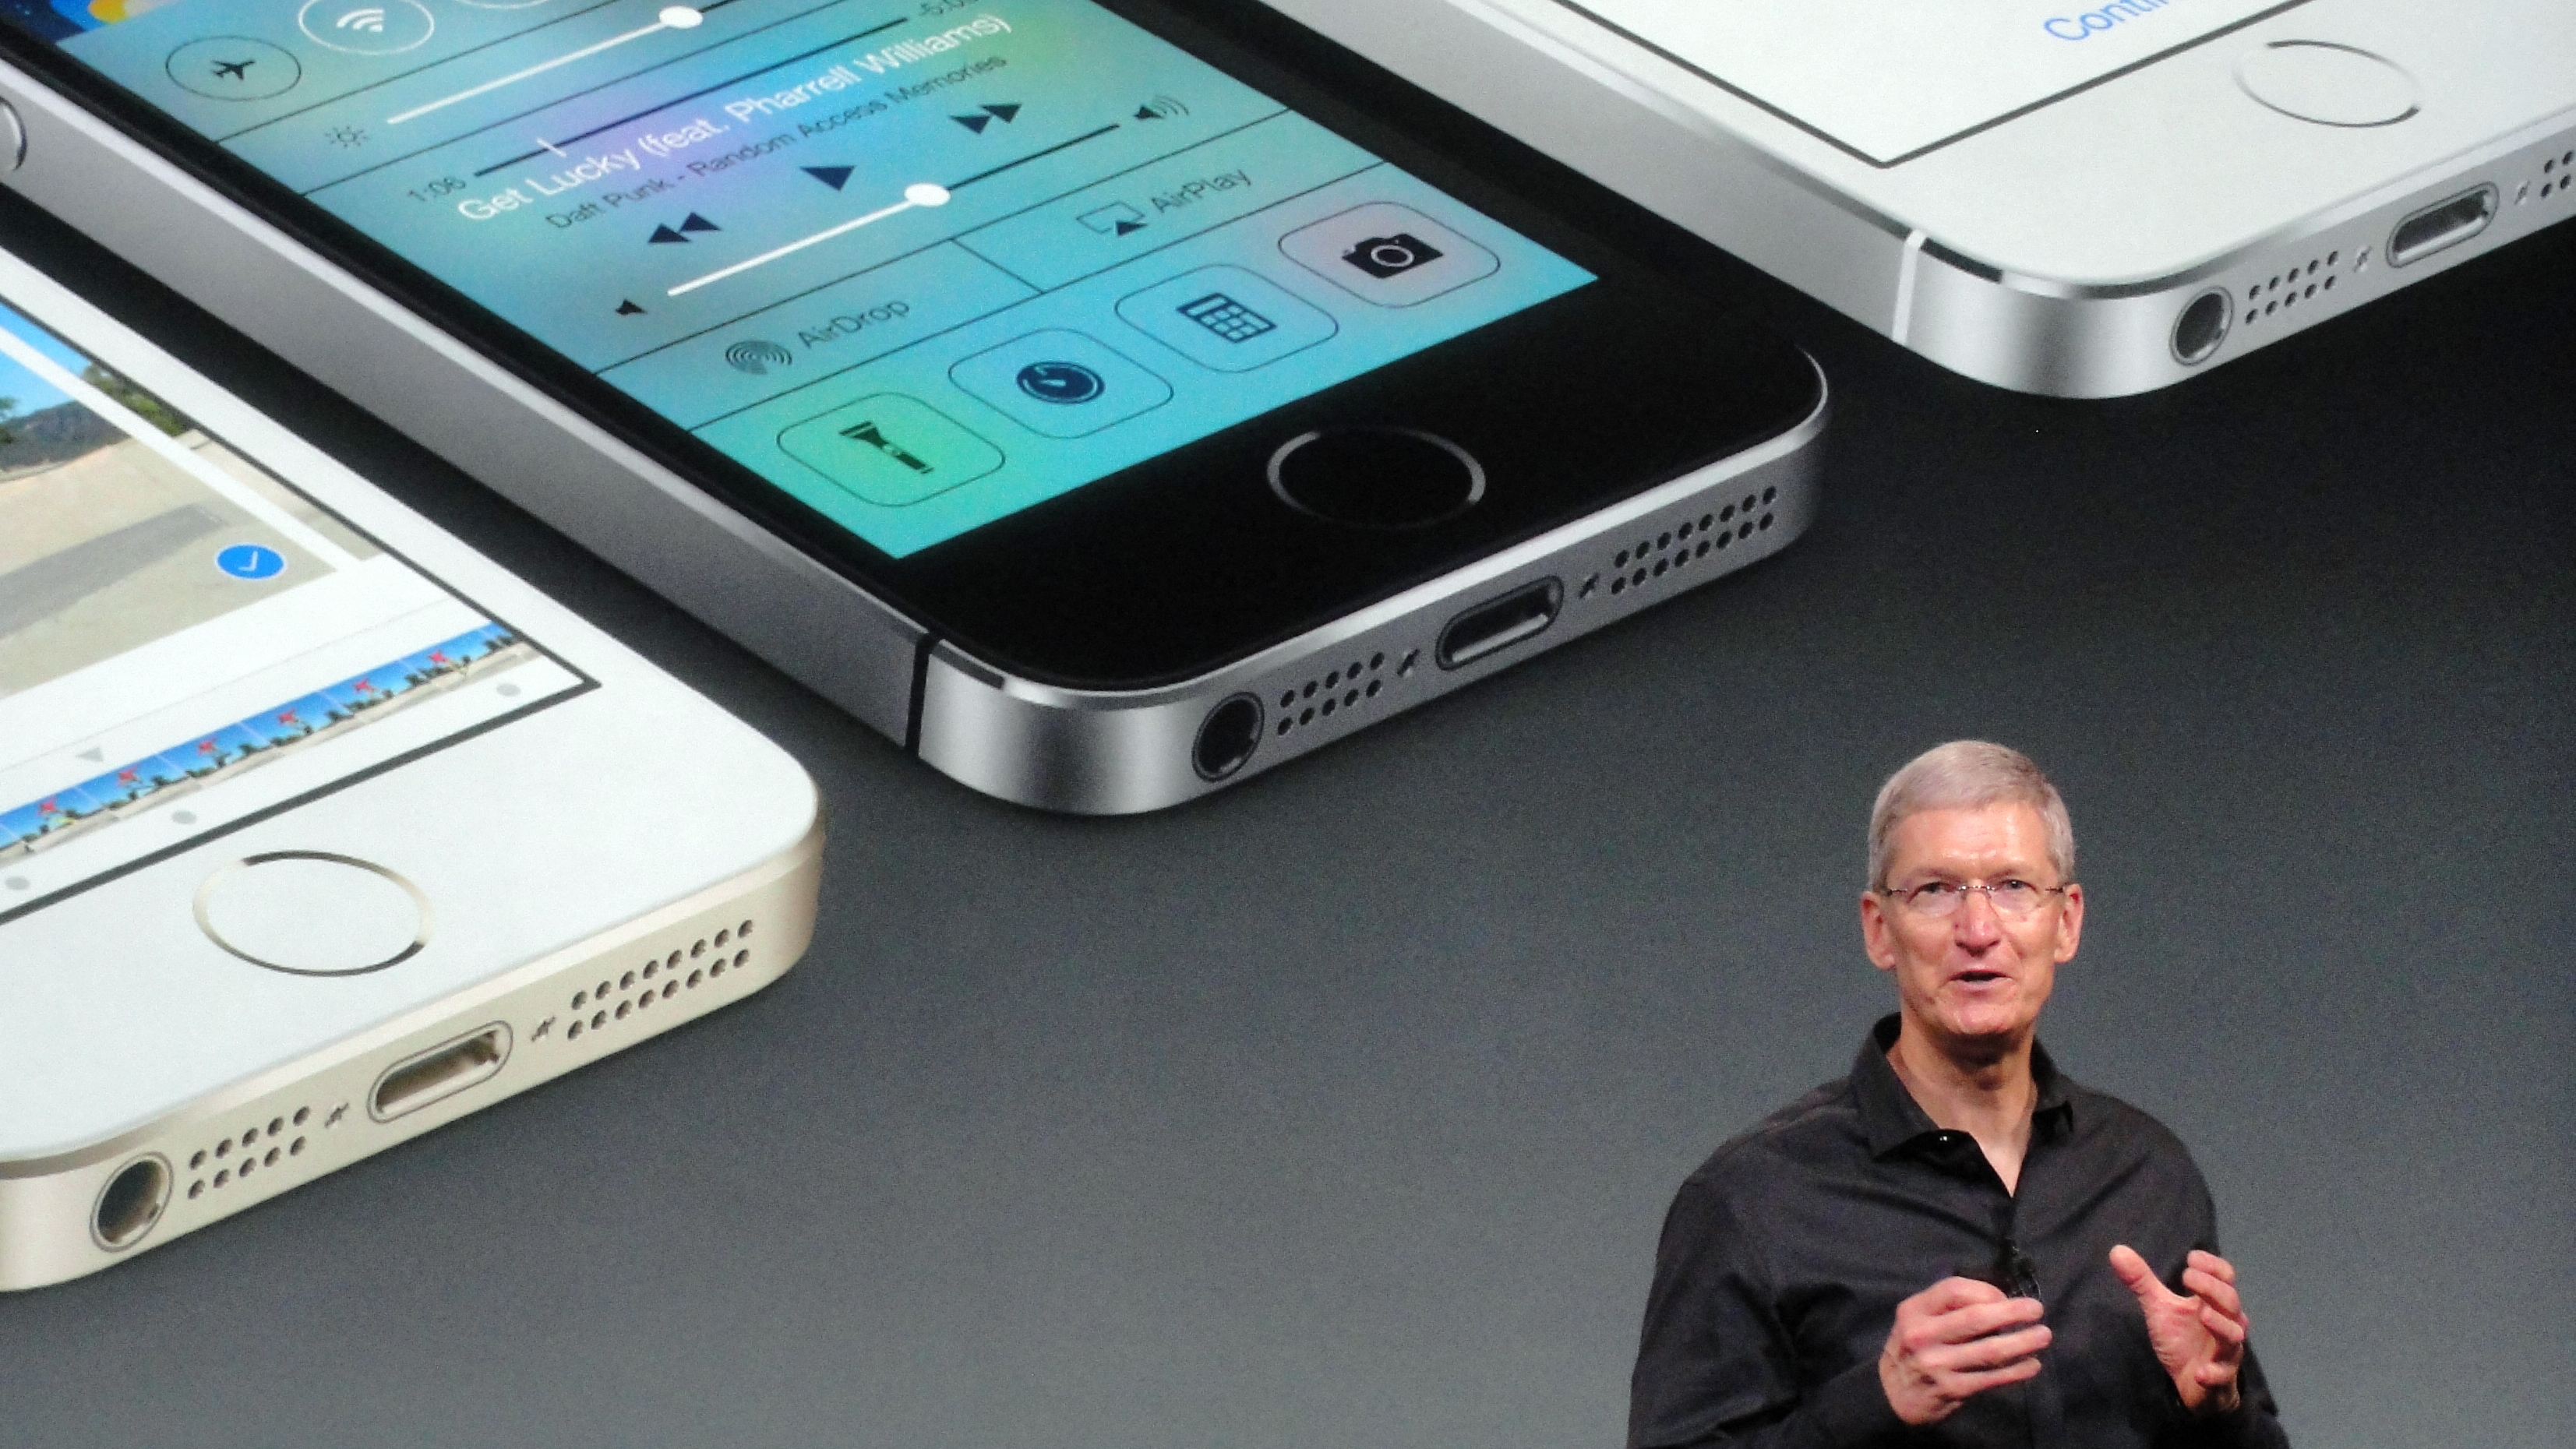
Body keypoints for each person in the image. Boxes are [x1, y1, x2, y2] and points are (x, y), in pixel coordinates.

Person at [1628, 741, 2289, 1447]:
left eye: (2012, 887)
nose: (1978, 932)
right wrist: (1877, 1401)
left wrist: (2221, 1412)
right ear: (1879, 930)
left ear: (2066, 922)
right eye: (1935, 891)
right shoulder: (1752, 1199)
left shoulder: (2149, 1175)